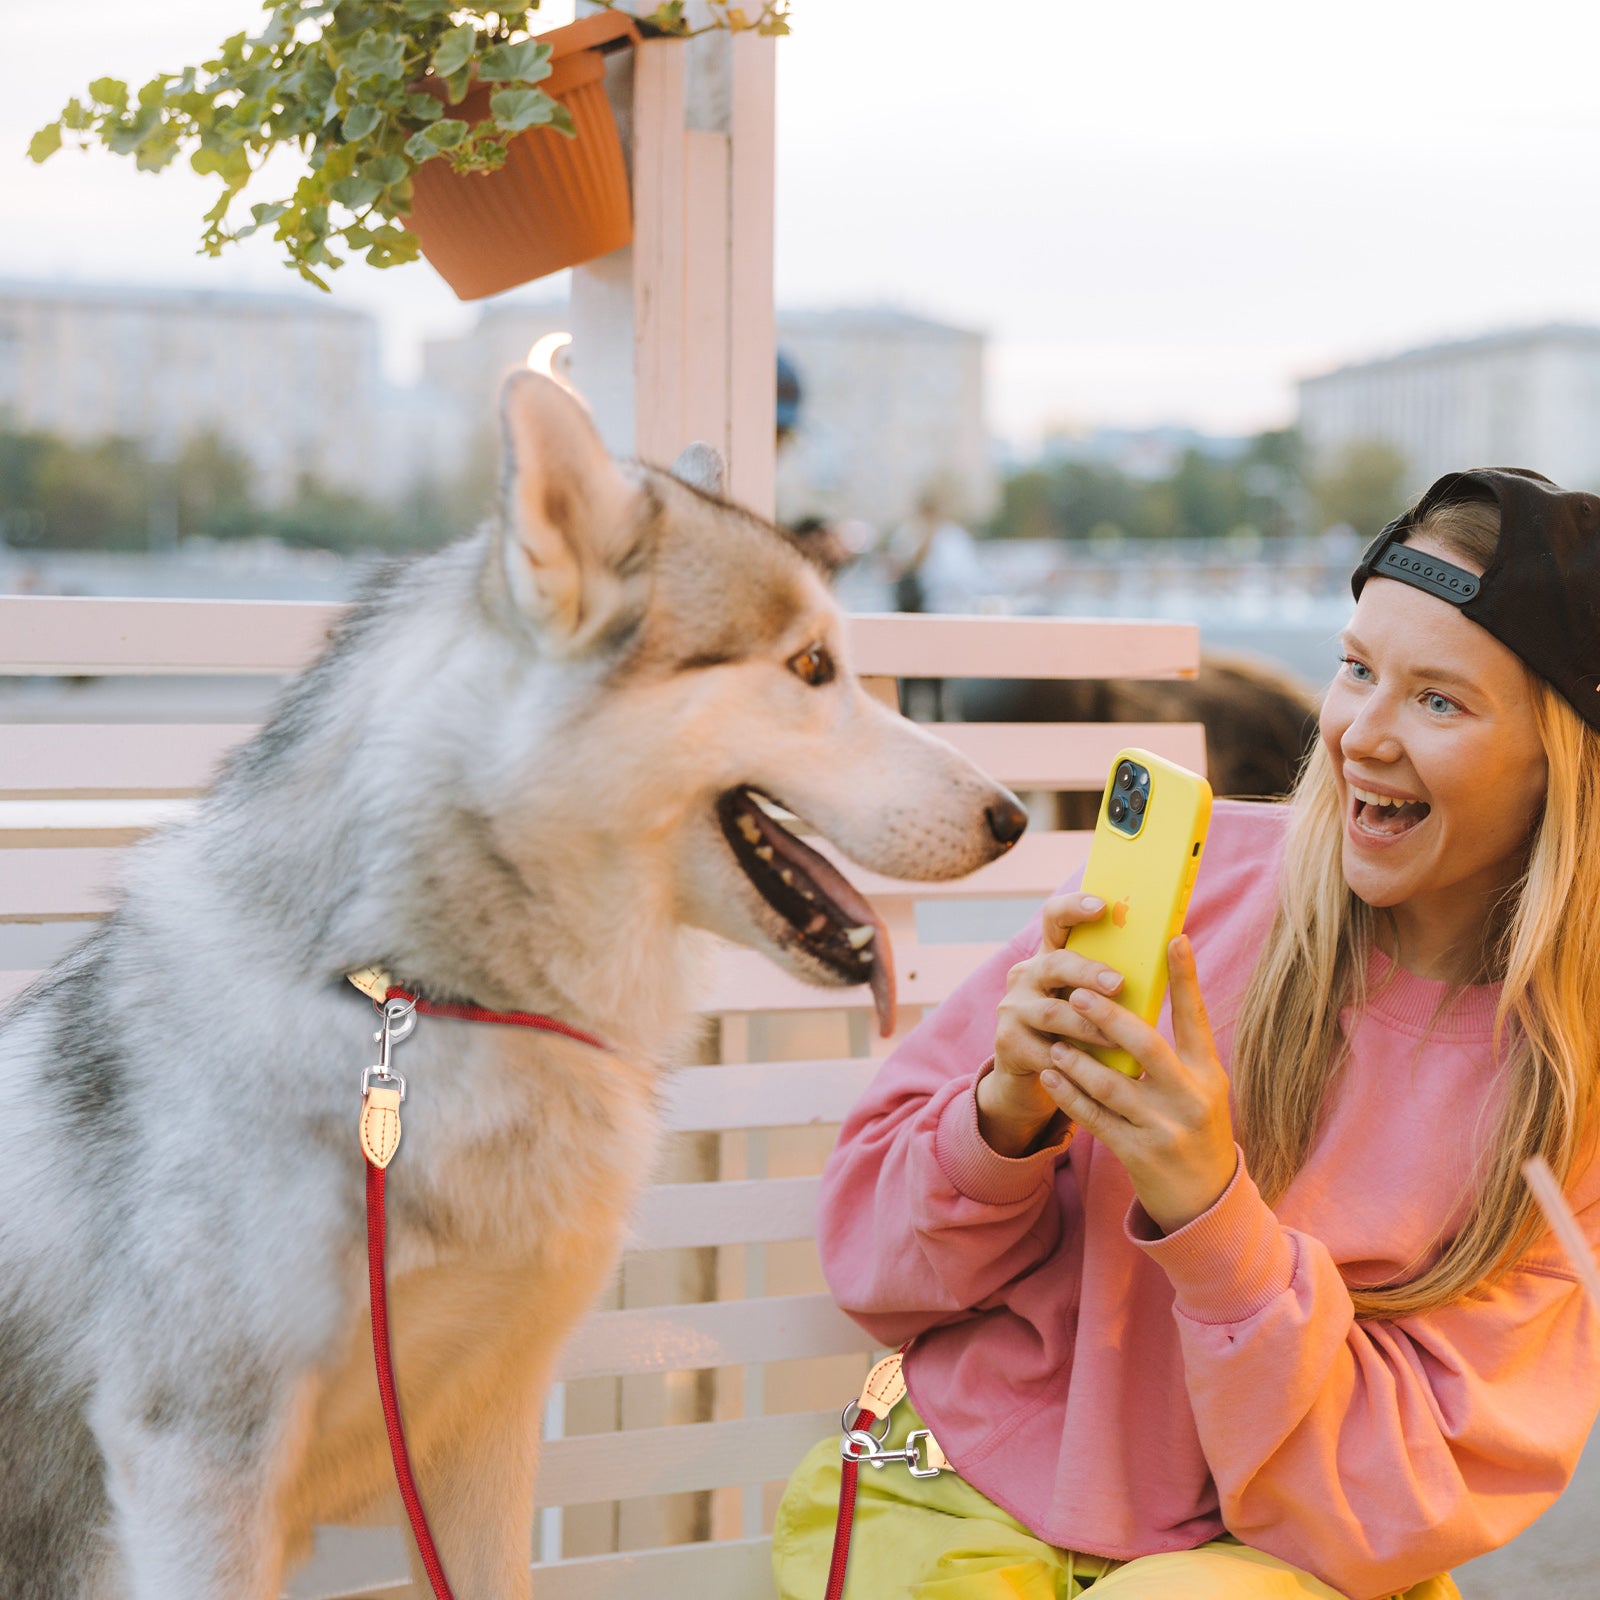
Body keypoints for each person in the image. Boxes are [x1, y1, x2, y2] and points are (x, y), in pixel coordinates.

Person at [773, 468, 1600, 1600]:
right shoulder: (1198, 888)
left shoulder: (1568, 1090)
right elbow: (870, 1262)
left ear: (1566, 757)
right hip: (949, 1496)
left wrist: (1211, 1211)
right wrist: (1000, 1121)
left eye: (1439, 700)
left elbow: (1407, 1494)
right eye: (1356, 669)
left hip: (1273, 1566)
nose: (1361, 735)